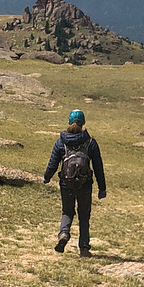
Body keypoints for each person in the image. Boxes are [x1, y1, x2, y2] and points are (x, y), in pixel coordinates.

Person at [43, 109, 106, 257]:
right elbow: (98, 167)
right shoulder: (90, 143)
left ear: (69, 122)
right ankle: (84, 247)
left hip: (66, 183)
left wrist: (47, 177)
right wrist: (102, 188)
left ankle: (64, 234)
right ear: (83, 123)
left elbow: (53, 163)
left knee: (67, 211)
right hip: (85, 184)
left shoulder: (61, 142)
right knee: (84, 215)